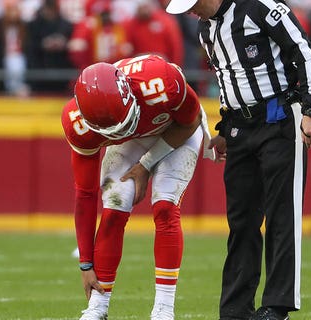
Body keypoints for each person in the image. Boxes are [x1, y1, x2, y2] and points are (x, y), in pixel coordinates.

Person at [166, 1, 311, 320]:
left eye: (193, 5)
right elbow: (227, 77)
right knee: (241, 221)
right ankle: (236, 308)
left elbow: (303, 50)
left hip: (279, 118)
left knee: (282, 215)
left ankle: (277, 306)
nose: (190, 12)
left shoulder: (259, 6)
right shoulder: (205, 28)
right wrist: (224, 128)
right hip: (239, 127)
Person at [61, 54, 213, 319]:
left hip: (174, 129)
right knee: (114, 206)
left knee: (165, 206)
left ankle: (163, 309)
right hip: (135, 138)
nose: (117, 133)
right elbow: (85, 194)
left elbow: (189, 122)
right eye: (111, 132)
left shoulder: (161, 80)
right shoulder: (78, 122)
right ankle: (98, 305)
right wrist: (86, 263)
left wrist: (145, 166)